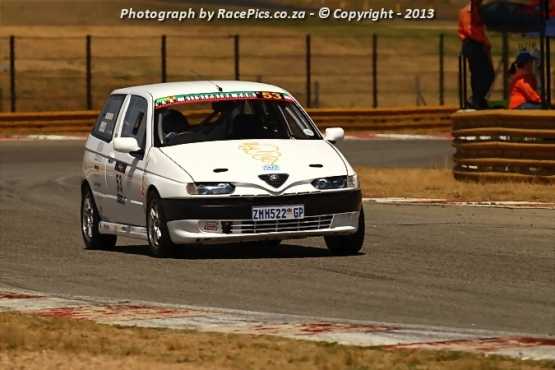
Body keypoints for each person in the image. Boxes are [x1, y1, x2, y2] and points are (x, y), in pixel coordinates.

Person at [459, 0, 495, 109]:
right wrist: (484, 41)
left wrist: (485, 42)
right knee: (476, 73)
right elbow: (470, 31)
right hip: (471, 44)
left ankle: (478, 98)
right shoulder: (465, 12)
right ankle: (476, 100)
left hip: (480, 44)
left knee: (489, 74)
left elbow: (481, 30)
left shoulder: (480, 11)